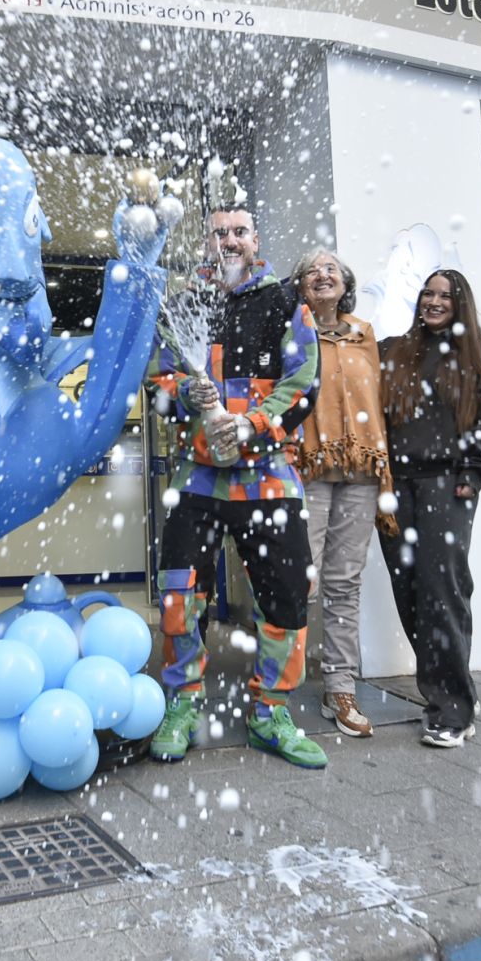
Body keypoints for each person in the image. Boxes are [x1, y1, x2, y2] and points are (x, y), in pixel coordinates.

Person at [149, 204, 325, 769]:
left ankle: (270, 712)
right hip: (195, 479)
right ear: (207, 241)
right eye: (219, 232)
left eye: (239, 232)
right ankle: (184, 702)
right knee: (179, 595)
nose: (229, 241)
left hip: (268, 476)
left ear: (255, 240)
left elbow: (303, 383)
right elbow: (158, 377)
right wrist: (183, 396)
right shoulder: (181, 304)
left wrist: (250, 423)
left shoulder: (284, 303)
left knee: (286, 597)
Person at [377, 268, 481, 749]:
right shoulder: (394, 351)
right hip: (396, 487)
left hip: (447, 484)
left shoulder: (477, 353)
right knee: (409, 591)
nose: (433, 301)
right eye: (428, 294)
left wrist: (472, 475)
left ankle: (451, 708)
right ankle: (455, 688)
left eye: (444, 296)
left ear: (461, 302)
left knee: (442, 589)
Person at [290, 249, 392, 740]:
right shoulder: (293, 332)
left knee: (344, 582)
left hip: (360, 471)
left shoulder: (362, 333)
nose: (323, 274)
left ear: (345, 282)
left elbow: (374, 398)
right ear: (301, 286)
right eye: (313, 270)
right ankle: (275, 689)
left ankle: (339, 688)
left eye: (331, 268)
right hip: (308, 469)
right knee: (297, 581)